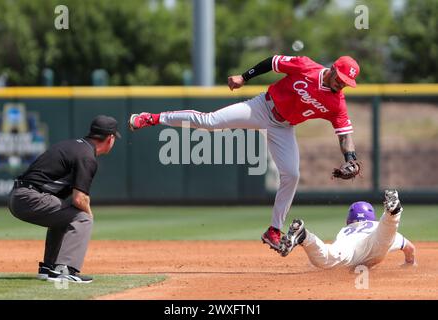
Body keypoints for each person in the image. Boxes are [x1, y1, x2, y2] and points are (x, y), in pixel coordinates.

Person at [128, 55, 361, 252]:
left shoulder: (337, 103)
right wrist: (244, 77)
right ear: (332, 69)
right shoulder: (306, 66)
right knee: (210, 121)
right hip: (261, 108)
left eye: (347, 82)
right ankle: (153, 118)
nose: (342, 84)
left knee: (292, 174)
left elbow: (344, 135)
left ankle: (273, 230)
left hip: (283, 127)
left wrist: (350, 159)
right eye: (341, 78)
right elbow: (272, 62)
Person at [8, 115, 121, 283]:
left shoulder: (74, 146)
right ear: (110, 138)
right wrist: (89, 215)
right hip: (29, 197)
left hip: (20, 196)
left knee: (65, 217)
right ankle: (64, 270)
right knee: (82, 218)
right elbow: (80, 198)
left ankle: (49, 267)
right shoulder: (86, 156)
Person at [279, 190, 417, 269]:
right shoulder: (375, 225)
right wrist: (409, 263)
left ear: (350, 218)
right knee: (386, 234)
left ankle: (304, 236)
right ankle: (392, 213)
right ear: (371, 217)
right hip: (374, 240)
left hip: (349, 249)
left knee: (327, 257)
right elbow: (410, 248)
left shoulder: (345, 230)